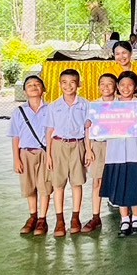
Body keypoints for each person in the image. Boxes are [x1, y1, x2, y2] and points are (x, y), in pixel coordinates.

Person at [45, 68, 90, 235]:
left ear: (78, 84)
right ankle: (59, 221)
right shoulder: (54, 106)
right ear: (59, 84)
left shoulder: (85, 104)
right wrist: (49, 155)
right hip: (58, 146)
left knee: (77, 183)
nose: (68, 86)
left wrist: (88, 150)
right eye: (64, 82)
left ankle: (75, 218)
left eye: (72, 82)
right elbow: (49, 131)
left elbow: (88, 130)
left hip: (78, 145)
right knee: (58, 185)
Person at [103, 71, 137, 236]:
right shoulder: (109, 107)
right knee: (119, 185)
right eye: (122, 85)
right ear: (117, 87)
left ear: (135, 86)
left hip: (136, 151)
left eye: (129, 85)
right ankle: (124, 219)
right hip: (115, 153)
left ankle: (136, 217)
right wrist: (93, 126)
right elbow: (101, 131)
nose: (125, 88)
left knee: (135, 185)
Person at [10, 74, 54, 237]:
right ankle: (32, 216)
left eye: (37, 84)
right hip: (25, 153)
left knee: (44, 186)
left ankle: (42, 218)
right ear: (24, 91)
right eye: (30, 85)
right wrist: (16, 159)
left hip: (45, 152)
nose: (34, 87)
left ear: (44, 89)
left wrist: (50, 154)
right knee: (29, 187)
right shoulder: (19, 112)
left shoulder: (50, 109)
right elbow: (15, 136)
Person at [81, 72, 120, 232]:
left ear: (115, 86)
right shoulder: (93, 106)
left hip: (117, 145)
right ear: (98, 87)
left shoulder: (122, 105)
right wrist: (88, 149)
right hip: (98, 145)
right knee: (97, 181)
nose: (106, 87)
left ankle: (126, 214)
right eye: (102, 84)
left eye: (109, 83)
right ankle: (96, 216)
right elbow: (87, 129)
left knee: (120, 178)